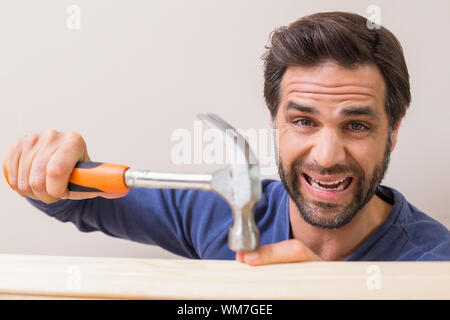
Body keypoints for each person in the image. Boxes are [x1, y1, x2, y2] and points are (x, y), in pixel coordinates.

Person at [3, 12, 449, 264]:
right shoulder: (216, 211)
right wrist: (48, 165)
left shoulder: (436, 265)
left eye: (356, 125)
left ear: (393, 130)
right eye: (303, 122)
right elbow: (68, 201)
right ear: (275, 120)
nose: (327, 155)